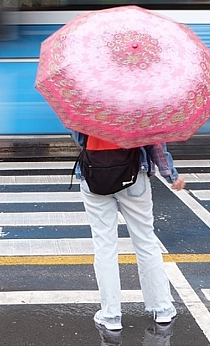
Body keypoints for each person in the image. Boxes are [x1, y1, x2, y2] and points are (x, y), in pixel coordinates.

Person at [71, 131, 185, 332]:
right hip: (134, 174)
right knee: (146, 242)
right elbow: (155, 143)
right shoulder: (138, 102)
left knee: (104, 246)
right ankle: (163, 309)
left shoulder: (86, 103)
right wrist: (170, 174)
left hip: (95, 174)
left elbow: (81, 139)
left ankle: (111, 315)